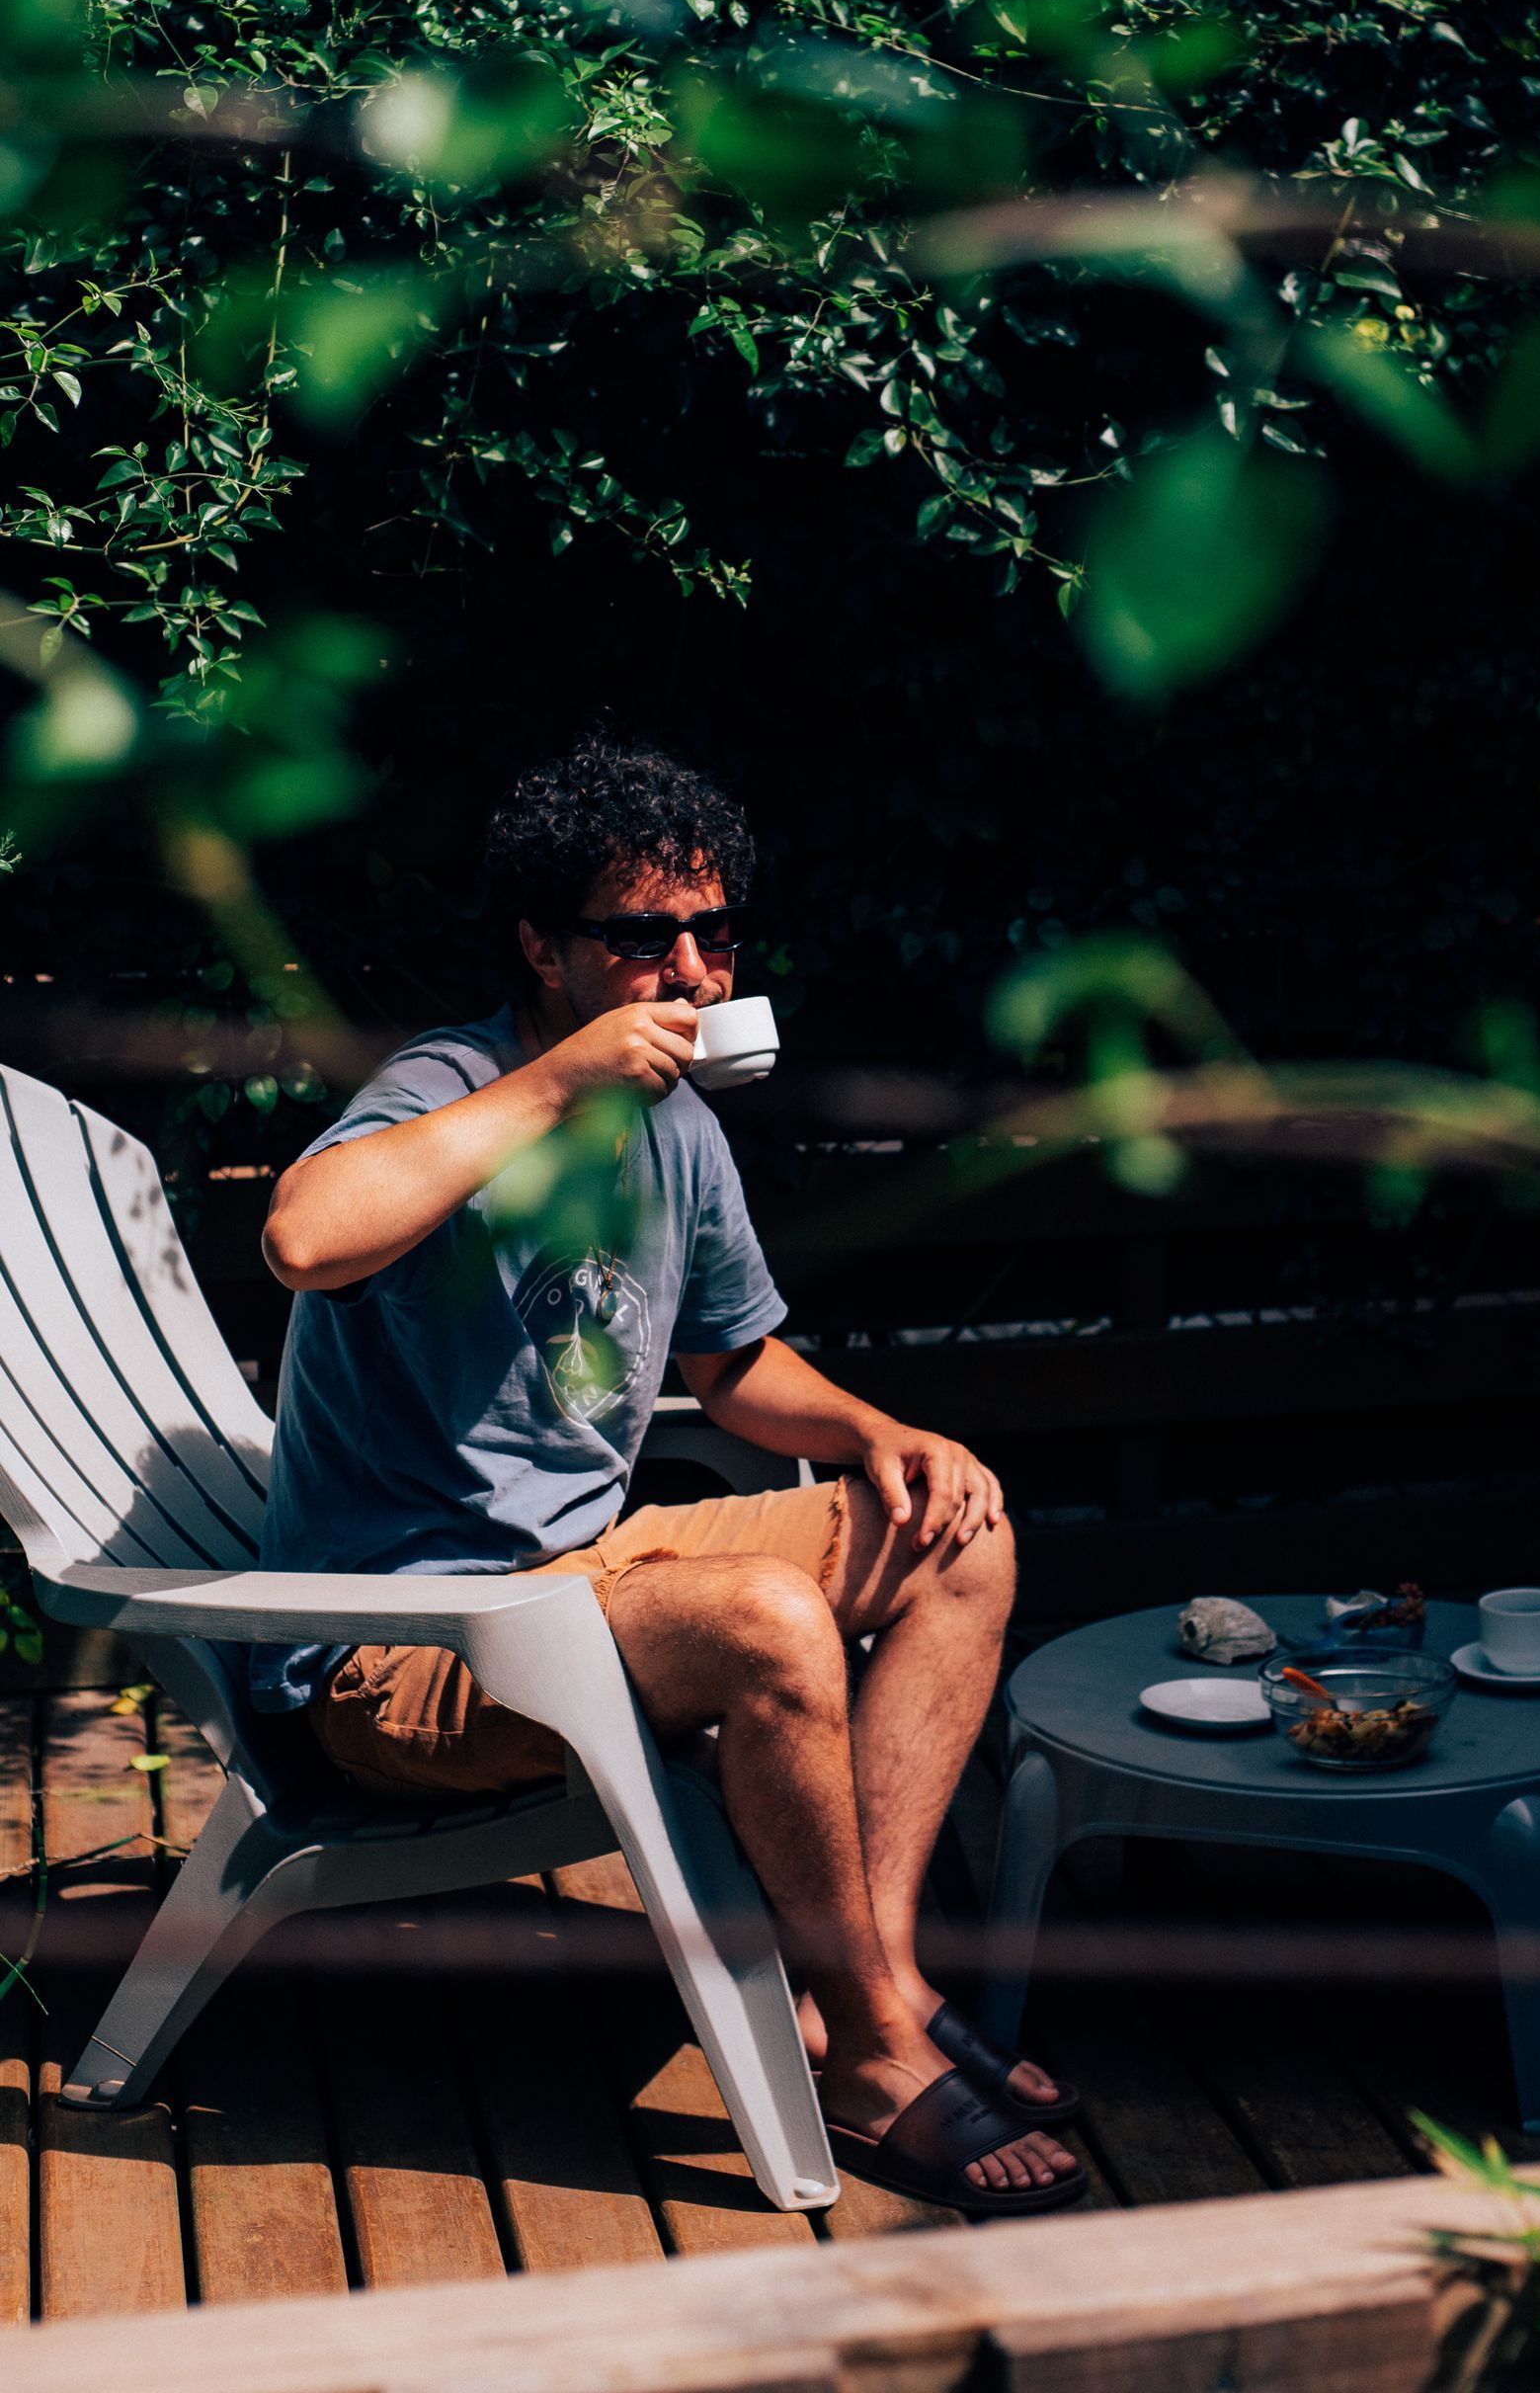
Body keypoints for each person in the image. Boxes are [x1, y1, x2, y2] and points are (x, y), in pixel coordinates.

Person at [252, 729, 1085, 2216]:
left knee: (960, 1529)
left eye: (710, 932)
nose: (689, 968)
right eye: (640, 938)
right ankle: (885, 2055)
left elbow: (734, 1368)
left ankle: (867, 1994)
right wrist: (559, 1081)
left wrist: (878, 1433)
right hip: (402, 1650)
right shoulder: (453, 1083)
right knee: (766, 1615)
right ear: (541, 949)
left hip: (583, 1581)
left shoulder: (680, 1130)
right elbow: (307, 1239)